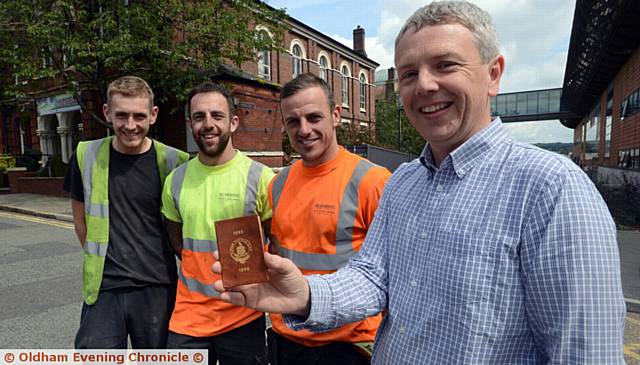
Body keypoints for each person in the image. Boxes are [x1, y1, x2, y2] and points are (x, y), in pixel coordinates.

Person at [213, 1, 627, 363]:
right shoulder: (404, 182)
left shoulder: (553, 189)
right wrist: (303, 295)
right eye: (409, 73)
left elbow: (585, 351)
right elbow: (373, 278)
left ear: (494, 74)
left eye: (445, 65)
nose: (424, 85)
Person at [267, 73, 391, 364]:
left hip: (348, 345)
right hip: (287, 339)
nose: (304, 130)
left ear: (336, 115)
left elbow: (395, 273)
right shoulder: (279, 182)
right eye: (293, 122)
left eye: (314, 117)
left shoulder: (372, 181)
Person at [63, 75, 189, 348]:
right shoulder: (86, 155)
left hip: (158, 286)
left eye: (139, 116)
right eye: (121, 115)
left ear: (153, 115)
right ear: (107, 113)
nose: (130, 126)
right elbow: (80, 221)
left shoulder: (175, 162)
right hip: (105, 288)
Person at [162, 82, 274, 365]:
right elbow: (177, 241)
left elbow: (277, 243)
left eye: (217, 115)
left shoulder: (260, 178)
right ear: (190, 124)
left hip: (243, 315)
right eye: (199, 117)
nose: (208, 124)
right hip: (188, 318)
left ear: (233, 122)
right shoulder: (175, 180)